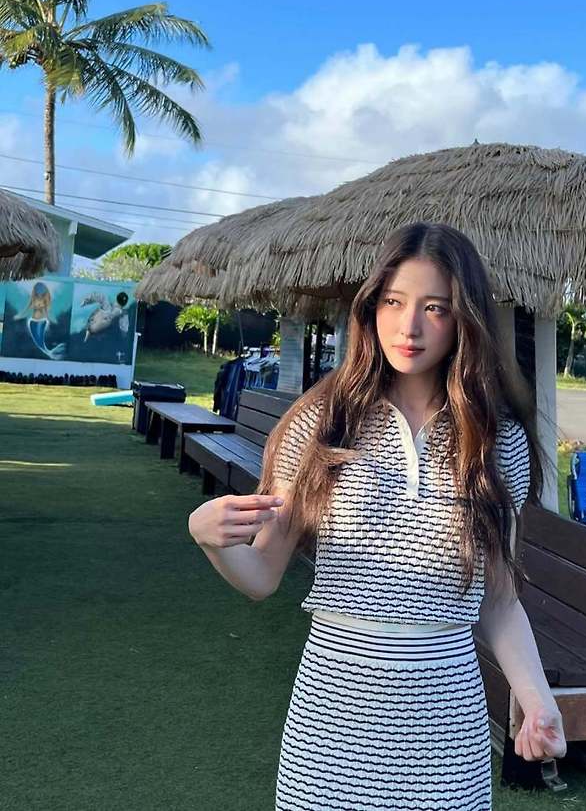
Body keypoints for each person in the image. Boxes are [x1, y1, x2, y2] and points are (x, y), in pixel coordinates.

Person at [188, 222, 567, 810]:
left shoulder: (497, 442)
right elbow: (261, 575)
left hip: (447, 733)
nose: (409, 326)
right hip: (331, 727)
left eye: (435, 308)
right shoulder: (321, 424)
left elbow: (497, 598)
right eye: (393, 301)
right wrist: (210, 538)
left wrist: (537, 699)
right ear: (371, 308)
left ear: (464, 320)